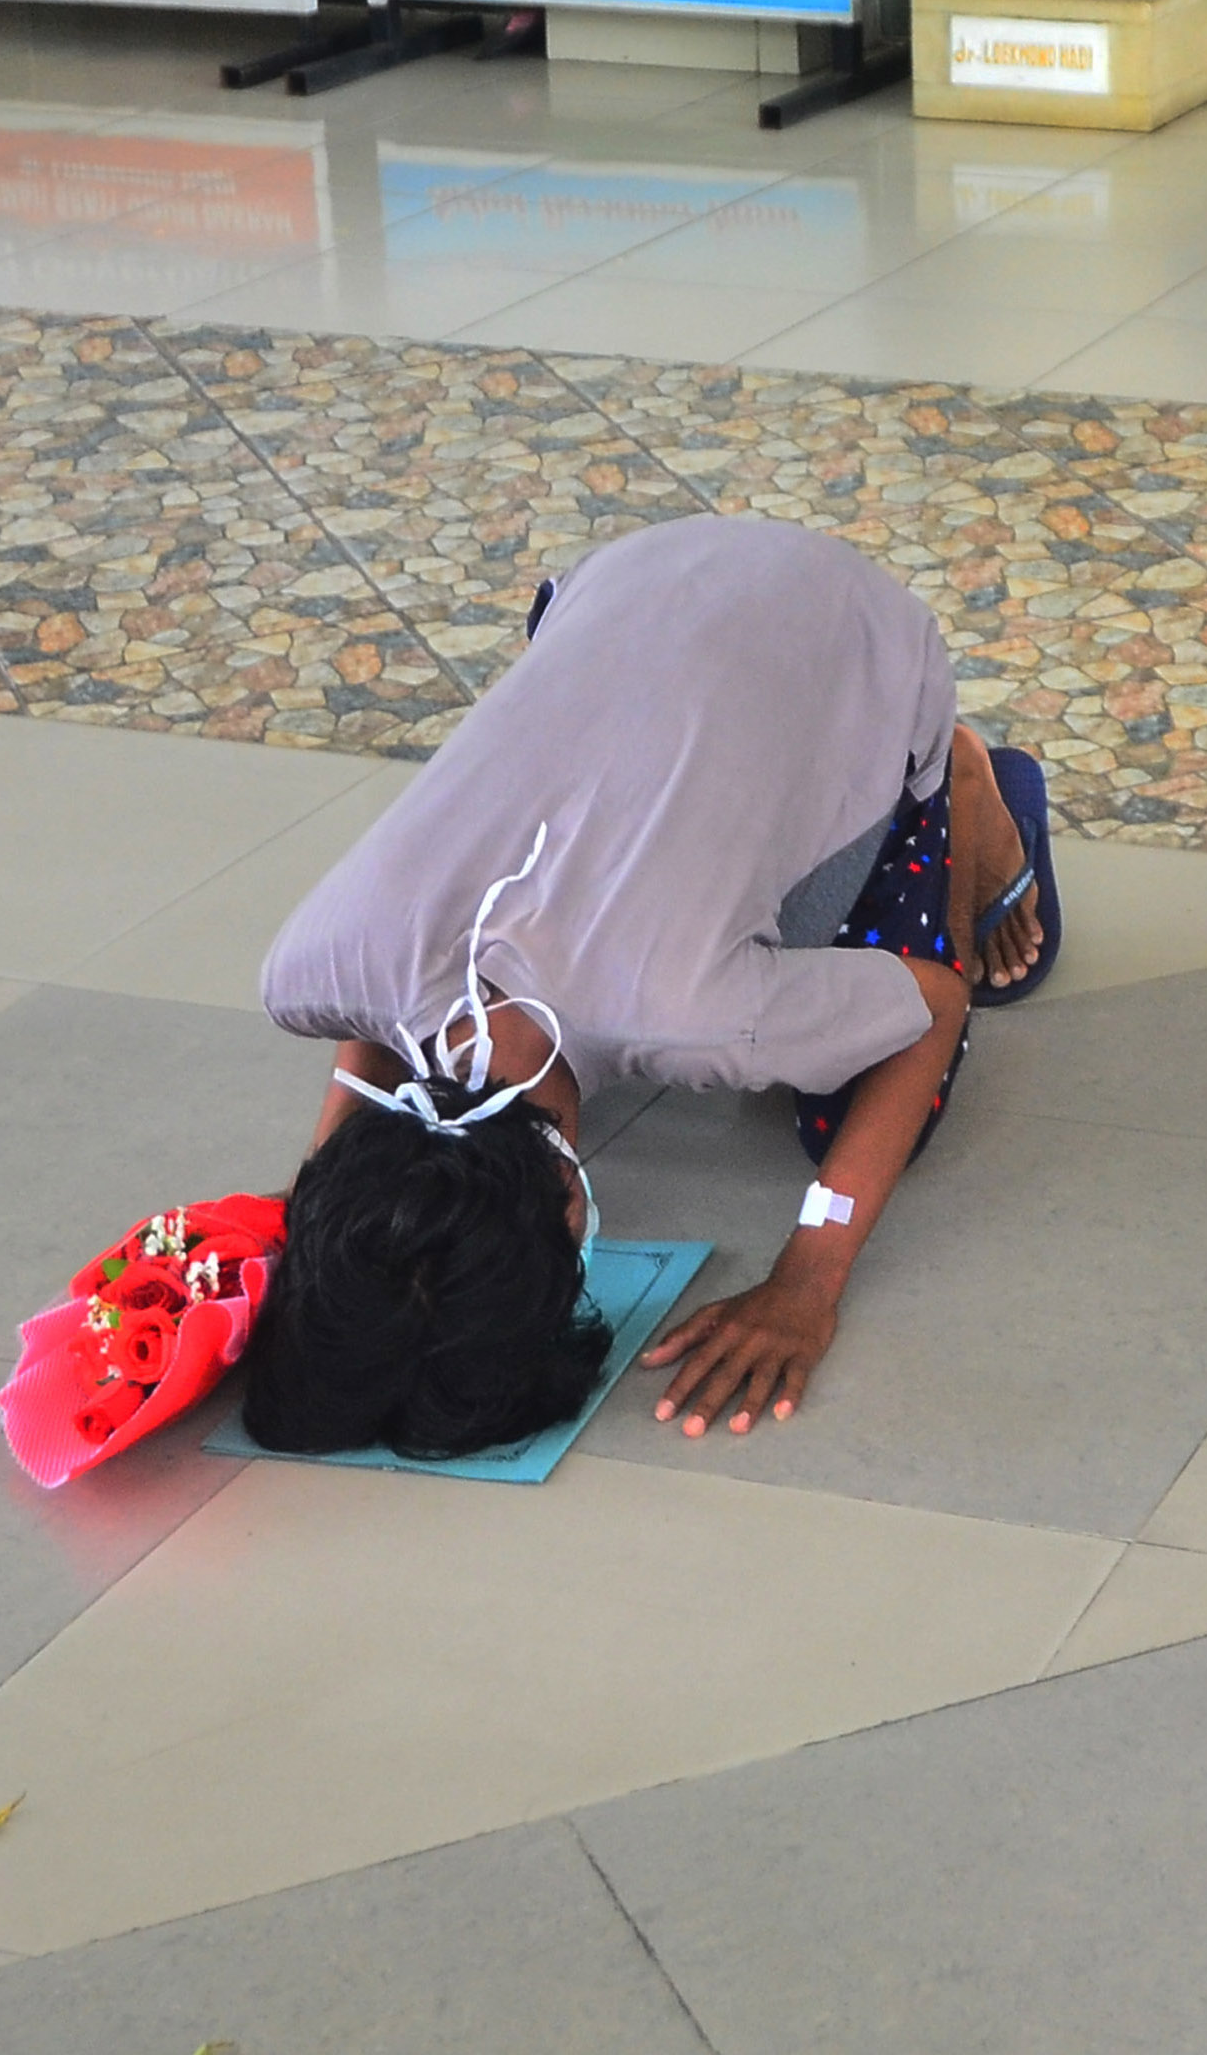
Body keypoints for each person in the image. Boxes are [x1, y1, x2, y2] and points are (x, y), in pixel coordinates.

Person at [249, 519, 1061, 1457]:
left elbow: (933, 1007)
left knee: (857, 1115)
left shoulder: (701, 1022)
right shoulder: (307, 971)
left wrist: (810, 1275)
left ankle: (961, 779)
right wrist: (320, 1233)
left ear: (570, 1200)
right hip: (624, 577)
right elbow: (374, 1012)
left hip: (849, 627)